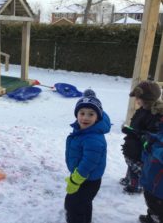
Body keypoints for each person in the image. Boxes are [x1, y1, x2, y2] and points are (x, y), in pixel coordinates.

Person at [64, 89, 111, 223]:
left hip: (86, 179)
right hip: (86, 178)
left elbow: (89, 162)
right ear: (76, 114)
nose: (85, 117)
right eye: (82, 113)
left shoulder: (93, 138)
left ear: (97, 117)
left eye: (91, 114)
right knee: (83, 203)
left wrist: (76, 179)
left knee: (73, 205)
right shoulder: (84, 129)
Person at [120, 81, 162, 194]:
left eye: (139, 98)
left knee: (135, 166)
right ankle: (128, 179)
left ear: (148, 99)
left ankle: (135, 186)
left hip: (140, 149)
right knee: (130, 163)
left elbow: (150, 134)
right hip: (133, 144)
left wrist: (135, 133)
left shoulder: (155, 115)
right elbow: (137, 126)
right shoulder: (143, 109)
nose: (136, 101)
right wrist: (129, 129)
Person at [138, 119, 163, 223]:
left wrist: (153, 147)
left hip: (159, 187)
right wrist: (150, 137)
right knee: (150, 201)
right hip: (151, 179)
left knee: (158, 207)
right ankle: (151, 218)